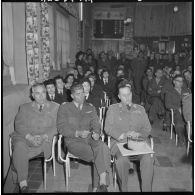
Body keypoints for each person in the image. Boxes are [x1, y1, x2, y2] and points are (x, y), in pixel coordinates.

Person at [57, 84, 111, 192]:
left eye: (83, 93)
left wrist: (96, 132)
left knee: (102, 146)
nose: (82, 96)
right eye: (78, 94)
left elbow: (96, 123)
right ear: (72, 96)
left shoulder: (90, 107)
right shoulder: (64, 108)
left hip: (90, 138)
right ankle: (100, 185)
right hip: (73, 141)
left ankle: (101, 183)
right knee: (101, 154)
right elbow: (61, 128)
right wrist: (77, 133)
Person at [104, 80, 154, 192]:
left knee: (148, 159)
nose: (127, 97)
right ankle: (124, 189)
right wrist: (123, 135)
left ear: (131, 93)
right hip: (119, 143)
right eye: (123, 95)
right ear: (119, 96)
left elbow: (147, 128)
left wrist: (139, 134)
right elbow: (108, 128)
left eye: (128, 94)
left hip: (137, 143)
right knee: (122, 160)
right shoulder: (112, 109)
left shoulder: (140, 109)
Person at [11, 83, 59, 192]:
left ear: (46, 93)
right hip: (25, 137)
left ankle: (15, 165)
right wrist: (29, 137)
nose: (41, 96)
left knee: (20, 154)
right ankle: (23, 184)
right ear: (32, 95)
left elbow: (58, 126)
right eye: (37, 93)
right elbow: (19, 125)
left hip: (44, 139)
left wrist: (44, 136)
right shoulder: (24, 107)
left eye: (43, 92)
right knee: (19, 145)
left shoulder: (55, 107)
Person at [165, 75, 190, 146]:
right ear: (174, 82)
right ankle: (181, 138)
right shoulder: (169, 92)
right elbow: (167, 105)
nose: (181, 83)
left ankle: (190, 137)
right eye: (178, 81)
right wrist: (178, 108)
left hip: (188, 111)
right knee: (179, 124)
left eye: (182, 81)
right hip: (176, 112)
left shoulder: (187, 90)